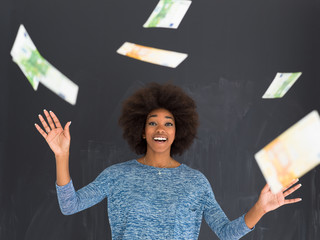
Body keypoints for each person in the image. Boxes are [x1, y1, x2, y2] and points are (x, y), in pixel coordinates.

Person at [35, 83, 302, 240]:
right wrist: (62, 156)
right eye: (152, 123)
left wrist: (260, 208)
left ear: (178, 131)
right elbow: (70, 206)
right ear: (142, 130)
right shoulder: (116, 175)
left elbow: (225, 232)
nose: (160, 129)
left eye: (168, 123)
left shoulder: (196, 182)